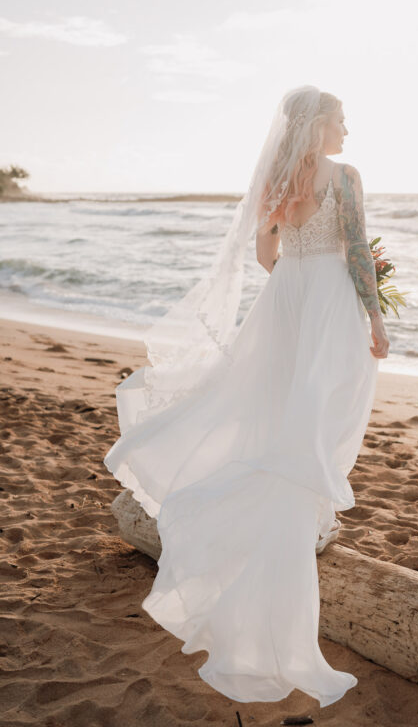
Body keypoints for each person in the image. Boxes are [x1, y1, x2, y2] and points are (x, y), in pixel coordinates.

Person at [103, 85, 390, 708]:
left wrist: (297, 283)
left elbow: (265, 253)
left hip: (284, 301)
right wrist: (371, 315)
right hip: (330, 305)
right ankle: (306, 514)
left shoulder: (278, 177)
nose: (349, 130)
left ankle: (292, 511)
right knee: (324, 409)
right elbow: (361, 250)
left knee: (278, 407)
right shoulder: (345, 176)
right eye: (342, 119)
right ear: (319, 125)